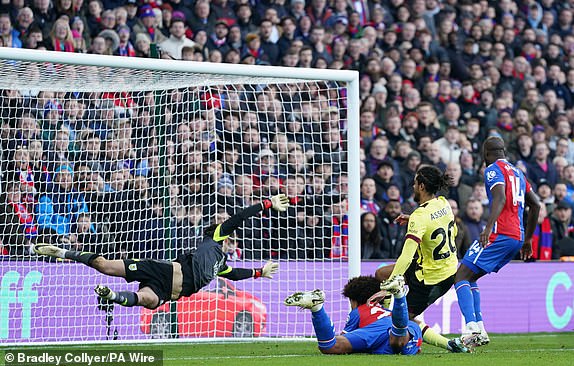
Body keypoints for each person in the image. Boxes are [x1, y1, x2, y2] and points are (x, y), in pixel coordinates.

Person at [34, 194, 290, 309]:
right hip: (165, 270)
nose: (232, 242)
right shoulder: (214, 238)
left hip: (167, 291)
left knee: (148, 301)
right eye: (230, 239)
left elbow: (233, 274)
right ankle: (63, 252)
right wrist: (265, 204)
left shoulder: (220, 264)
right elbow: (238, 219)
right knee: (104, 265)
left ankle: (111, 296)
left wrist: (259, 272)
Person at [454, 137, 541, 346]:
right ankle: (480, 328)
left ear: (486, 154)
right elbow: (536, 205)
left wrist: (487, 227)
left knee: (460, 276)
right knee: (471, 276)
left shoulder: (493, 170)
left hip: (499, 233)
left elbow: (500, 198)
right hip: (517, 237)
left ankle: (471, 327)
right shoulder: (519, 173)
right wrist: (528, 239)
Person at [373, 165, 464, 353]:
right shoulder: (443, 203)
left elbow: (406, 256)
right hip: (441, 265)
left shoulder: (420, 216)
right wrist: (414, 219)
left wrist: (390, 285)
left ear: (421, 186)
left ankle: (444, 345)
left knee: (400, 328)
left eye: (415, 183)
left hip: (432, 279)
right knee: (380, 274)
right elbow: (453, 231)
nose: (412, 186)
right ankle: (392, 308)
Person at [284, 275, 431, 355]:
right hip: (406, 327)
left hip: (378, 331)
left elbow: (341, 340)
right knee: (398, 339)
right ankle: (399, 295)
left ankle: (317, 308)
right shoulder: (382, 309)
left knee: (330, 346)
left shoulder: (357, 312)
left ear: (354, 300)